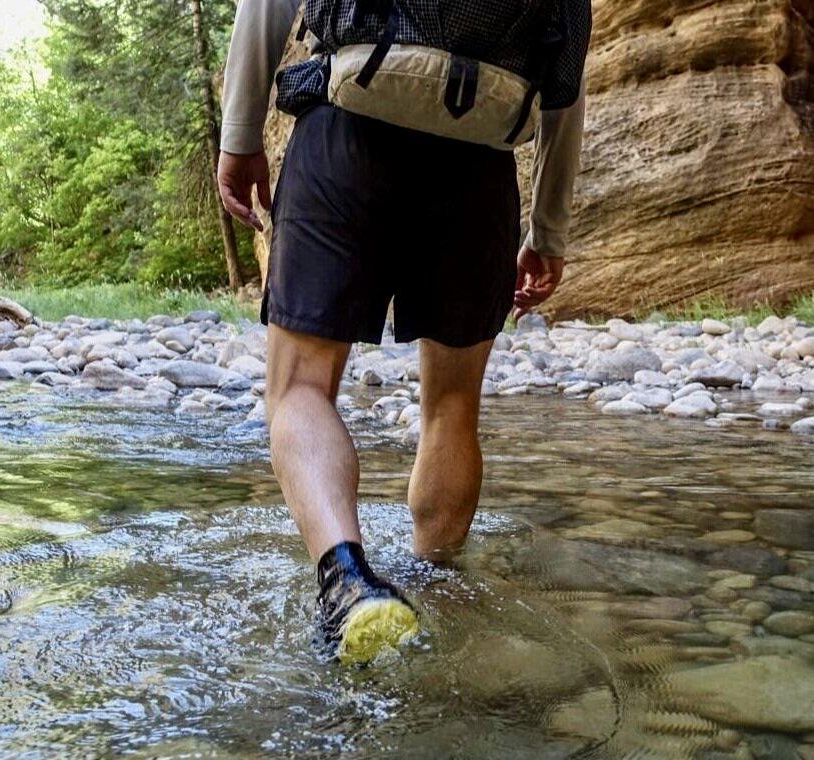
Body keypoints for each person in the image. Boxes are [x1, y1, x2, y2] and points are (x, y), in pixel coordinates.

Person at [217, 0, 591, 662]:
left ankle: (347, 583)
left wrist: (240, 133)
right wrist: (546, 229)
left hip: (346, 131)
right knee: (450, 407)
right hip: (477, 162)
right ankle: (435, 598)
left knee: (299, 386)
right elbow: (564, 72)